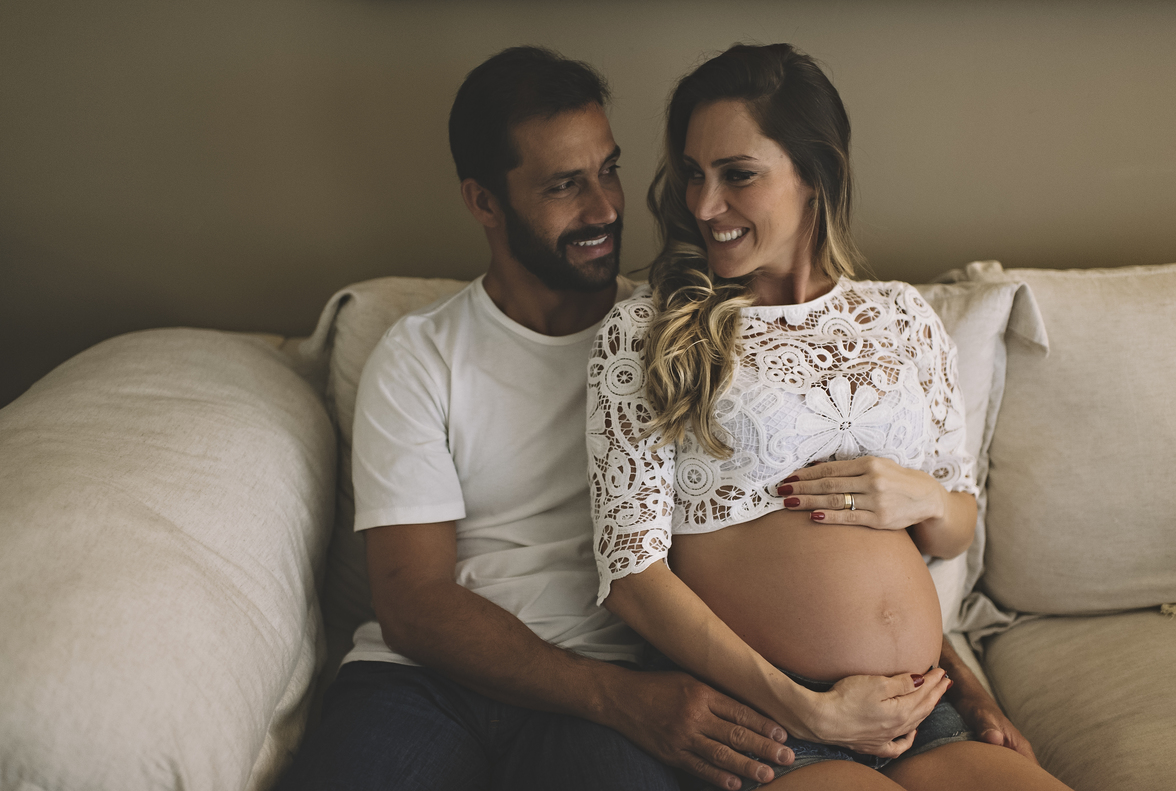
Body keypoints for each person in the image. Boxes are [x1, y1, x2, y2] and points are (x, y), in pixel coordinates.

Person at [278, 45, 1039, 791]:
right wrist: (632, 699)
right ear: (484, 201)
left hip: (660, 681)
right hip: (463, 684)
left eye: (609, 170)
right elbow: (419, 602)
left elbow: (856, 543)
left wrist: (959, 681)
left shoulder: (709, 327)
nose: (607, 207)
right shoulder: (459, 351)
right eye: (564, 185)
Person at [587, 43, 1070, 790]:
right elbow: (632, 576)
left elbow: (954, 527)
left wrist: (925, 498)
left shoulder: (902, 317)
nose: (703, 205)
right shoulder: (649, 331)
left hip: (925, 709)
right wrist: (809, 710)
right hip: (773, 724)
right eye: (692, 173)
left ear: (816, 173)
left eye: (737, 175)